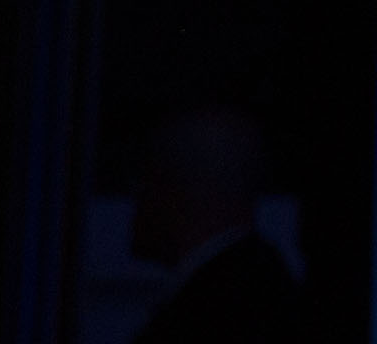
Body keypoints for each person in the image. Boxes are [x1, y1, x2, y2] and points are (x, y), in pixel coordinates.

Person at [127, 104, 300, 344]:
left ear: (180, 190)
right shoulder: (254, 290)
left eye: (147, 182)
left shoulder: (217, 310)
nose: (136, 200)